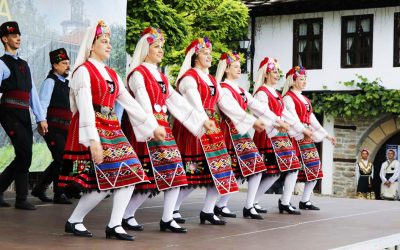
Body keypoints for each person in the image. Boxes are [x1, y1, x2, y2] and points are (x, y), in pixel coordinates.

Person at [58, 20, 165, 241]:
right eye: (103, 41)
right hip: (94, 126)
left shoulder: (112, 74)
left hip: (112, 127)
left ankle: (114, 224)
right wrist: (93, 140)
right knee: (103, 180)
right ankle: (75, 220)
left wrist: (152, 126)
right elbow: (85, 108)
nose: (108, 46)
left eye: (109, 42)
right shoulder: (82, 72)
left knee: (132, 171)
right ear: (91, 45)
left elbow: (129, 102)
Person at [121, 27, 213, 233]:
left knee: (176, 174)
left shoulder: (161, 76)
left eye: (162, 46)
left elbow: (175, 100)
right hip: (147, 131)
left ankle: (167, 218)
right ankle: (125, 215)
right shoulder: (138, 74)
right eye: (156, 47)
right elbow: (143, 103)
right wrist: (152, 127)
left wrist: (201, 121)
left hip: (163, 130)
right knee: (146, 180)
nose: (161, 50)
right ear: (145, 50)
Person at [172, 37, 265, 225]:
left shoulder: (212, 80)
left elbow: (226, 105)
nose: (209, 56)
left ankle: (207, 210)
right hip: (196, 127)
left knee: (221, 170)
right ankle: (173, 209)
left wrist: (251, 120)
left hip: (212, 128)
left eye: (209, 53)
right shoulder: (189, 78)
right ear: (195, 56)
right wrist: (204, 120)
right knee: (192, 174)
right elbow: (194, 102)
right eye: (205, 53)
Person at [214, 51, 288, 219]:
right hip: (228, 132)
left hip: (241, 133)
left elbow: (257, 106)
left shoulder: (240, 90)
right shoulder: (223, 89)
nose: (239, 69)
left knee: (254, 168)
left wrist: (276, 121)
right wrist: (253, 122)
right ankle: (216, 205)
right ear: (226, 69)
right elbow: (232, 110)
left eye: (240, 67)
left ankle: (245, 206)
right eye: (235, 66)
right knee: (230, 171)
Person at [252, 58, 312, 215]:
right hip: (267, 135)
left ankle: (269, 201)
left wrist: (299, 128)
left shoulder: (276, 94)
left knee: (286, 169)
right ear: (265, 74)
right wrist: (281, 123)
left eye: (278, 72)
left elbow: (286, 114)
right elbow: (263, 114)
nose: (277, 75)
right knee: (267, 171)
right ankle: (251, 202)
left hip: (279, 135)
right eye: (273, 72)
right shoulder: (261, 93)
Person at [0, 21, 48, 210]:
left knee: (25, 154)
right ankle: (21, 198)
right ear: (5, 39)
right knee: (25, 153)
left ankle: (17, 196)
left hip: (23, 113)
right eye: (14, 35)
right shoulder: (2, 63)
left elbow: (32, 92)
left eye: (19, 35)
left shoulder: (25, 64)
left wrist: (40, 117)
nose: (18, 38)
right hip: (8, 112)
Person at [282, 66, 336, 210]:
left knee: (315, 168)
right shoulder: (288, 98)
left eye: (305, 79)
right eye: (301, 79)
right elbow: (292, 118)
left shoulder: (305, 99)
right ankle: (285, 201)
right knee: (293, 171)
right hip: (295, 136)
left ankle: (305, 200)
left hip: (307, 136)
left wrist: (327, 135)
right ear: (293, 81)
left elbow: (312, 118)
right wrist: (303, 129)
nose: (304, 82)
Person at [31, 48, 72, 204]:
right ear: (55, 65)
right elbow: (43, 104)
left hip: (66, 129)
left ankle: (40, 188)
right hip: (53, 128)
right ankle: (58, 193)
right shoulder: (50, 81)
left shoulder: (67, 84)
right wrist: (42, 123)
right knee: (61, 157)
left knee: (61, 159)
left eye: (68, 63)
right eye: (64, 63)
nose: (67, 66)